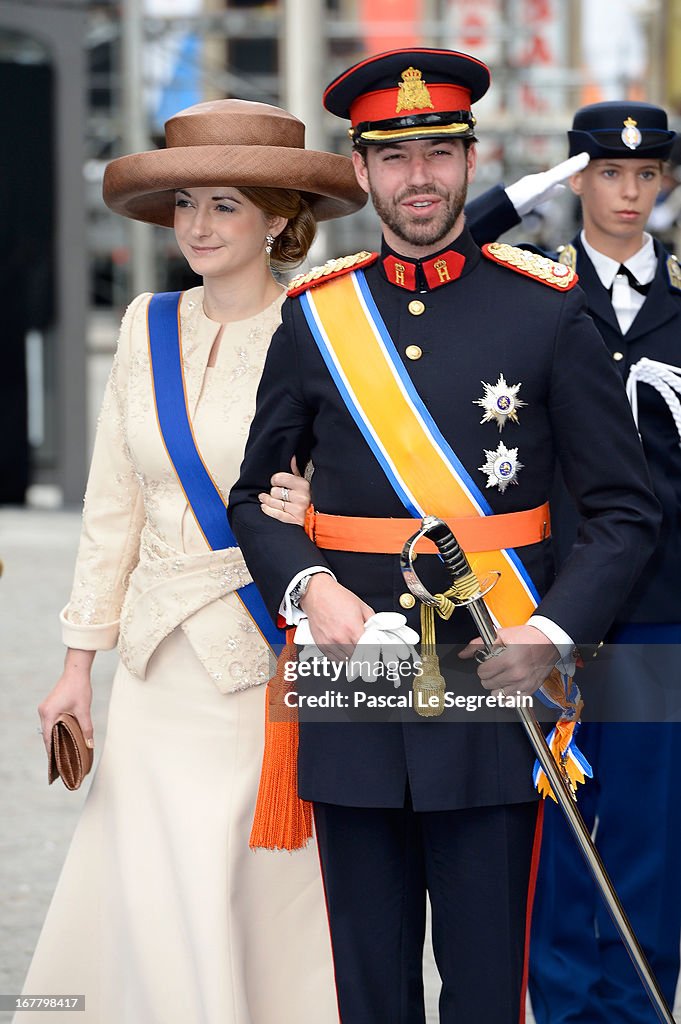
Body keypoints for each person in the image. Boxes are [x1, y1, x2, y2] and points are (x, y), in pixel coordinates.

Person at [228, 50, 661, 1023]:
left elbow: (625, 513)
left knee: (481, 983)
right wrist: (310, 590)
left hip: (494, 663)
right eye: (393, 157)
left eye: (436, 153)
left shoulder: (550, 313)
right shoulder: (316, 318)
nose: (416, 177)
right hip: (352, 671)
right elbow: (253, 495)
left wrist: (548, 635)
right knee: (369, 986)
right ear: (362, 169)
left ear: (470, 160)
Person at [22, 98, 365, 1024]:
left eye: (224, 204)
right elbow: (111, 505)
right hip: (151, 671)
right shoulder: (145, 322)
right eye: (185, 203)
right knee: (148, 894)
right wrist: (75, 667)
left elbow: (378, 487)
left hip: (259, 665)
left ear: (279, 220)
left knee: (247, 896)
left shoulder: (325, 325)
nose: (197, 226)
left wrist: (320, 510)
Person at [468, 101, 681, 1023]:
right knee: (553, 823)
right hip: (553, 601)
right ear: (575, 179)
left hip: (661, 602)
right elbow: (452, 249)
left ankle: (637, 1009)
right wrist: (527, 192)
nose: (626, 194)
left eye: (645, 175)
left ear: (666, 182)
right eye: (604, 174)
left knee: (645, 830)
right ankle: (558, 1009)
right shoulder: (536, 286)